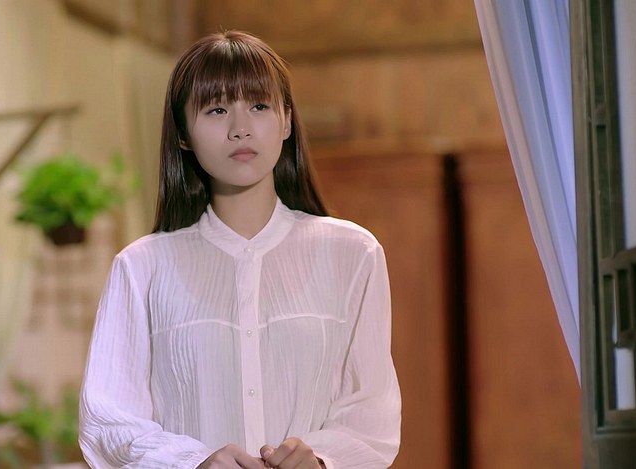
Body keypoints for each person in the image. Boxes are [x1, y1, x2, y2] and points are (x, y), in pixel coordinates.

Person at [78, 30, 401, 469]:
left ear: (287, 121)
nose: (240, 128)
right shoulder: (141, 268)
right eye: (216, 109)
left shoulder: (353, 254)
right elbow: (108, 421)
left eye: (259, 106)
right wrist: (193, 462)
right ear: (183, 134)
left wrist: (322, 459)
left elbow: (372, 413)